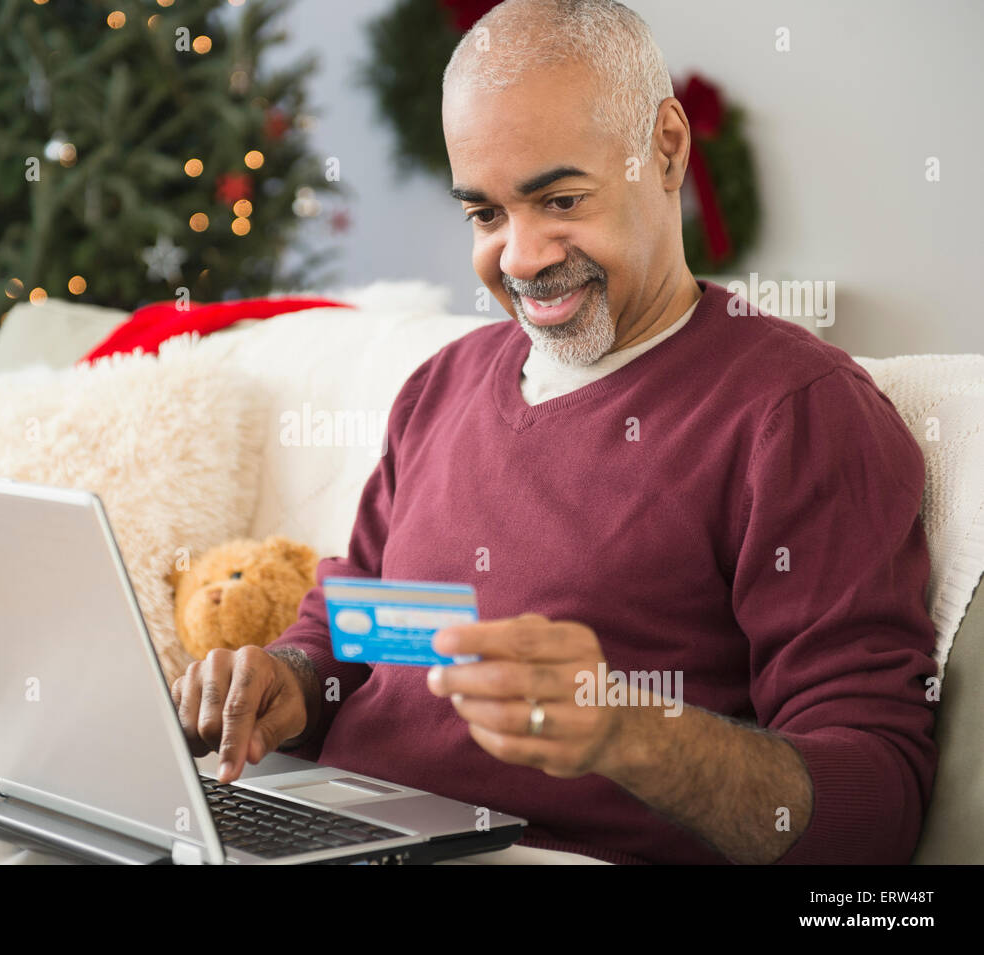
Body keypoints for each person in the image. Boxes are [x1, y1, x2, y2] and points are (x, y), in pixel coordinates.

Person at [171, 0, 938, 865]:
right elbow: (353, 626)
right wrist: (289, 681)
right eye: (486, 215)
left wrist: (628, 728)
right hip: (336, 836)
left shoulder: (795, 412)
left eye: (561, 198)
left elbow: (876, 812)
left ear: (668, 148)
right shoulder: (440, 387)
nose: (522, 256)